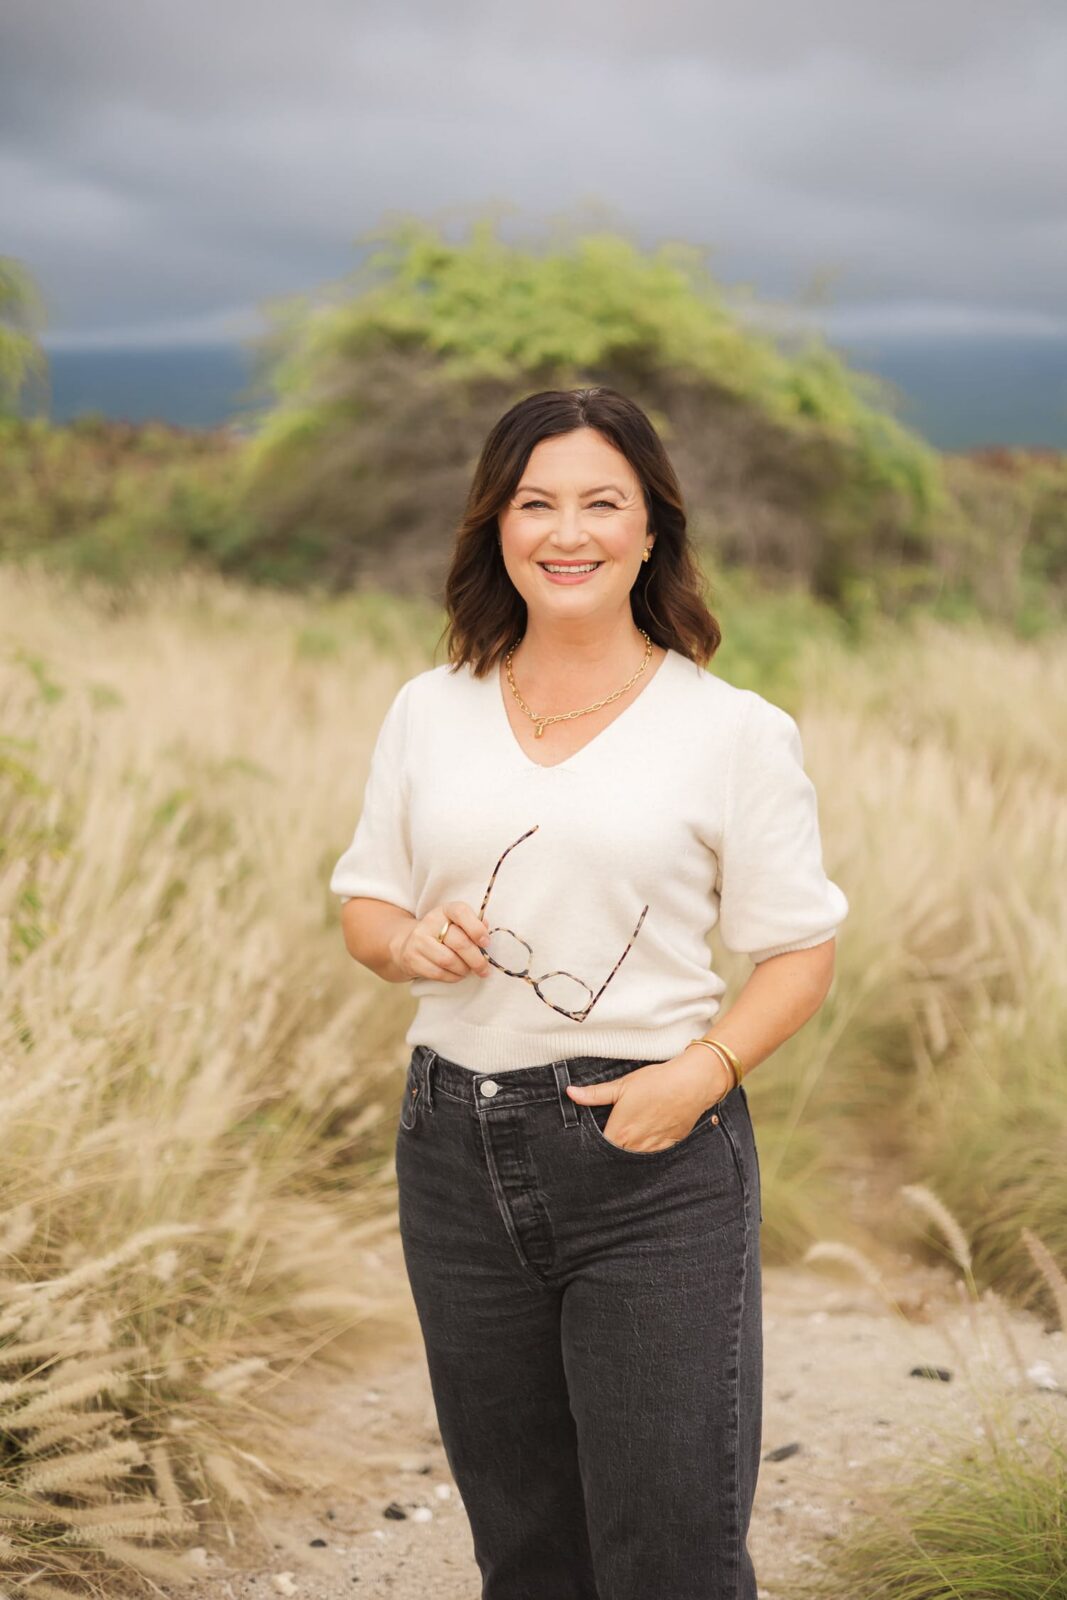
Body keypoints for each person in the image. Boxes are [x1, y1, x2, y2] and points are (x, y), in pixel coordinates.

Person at [330, 386, 848, 1600]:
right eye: (535, 502)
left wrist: (696, 1078)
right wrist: (410, 944)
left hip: (650, 1161)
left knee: (667, 1552)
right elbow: (364, 907)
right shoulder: (429, 708)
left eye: (600, 503)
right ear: (496, 527)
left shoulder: (731, 732)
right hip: (450, 1150)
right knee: (526, 1554)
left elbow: (799, 952)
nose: (568, 532)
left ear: (651, 528)